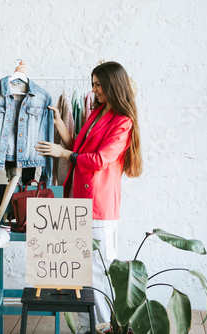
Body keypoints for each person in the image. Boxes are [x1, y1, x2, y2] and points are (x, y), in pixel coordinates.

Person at [35, 61, 142, 330]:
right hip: (77, 202)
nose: (94, 90)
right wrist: (62, 128)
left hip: (98, 207)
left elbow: (98, 160)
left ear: (113, 85)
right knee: (79, 272)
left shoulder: (123, 122)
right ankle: (84, 328)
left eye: (99, 85)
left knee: (98, 272)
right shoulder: (96, 114)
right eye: (92, 84)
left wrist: (64, 154)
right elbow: (77, 148)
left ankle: (105, 326)